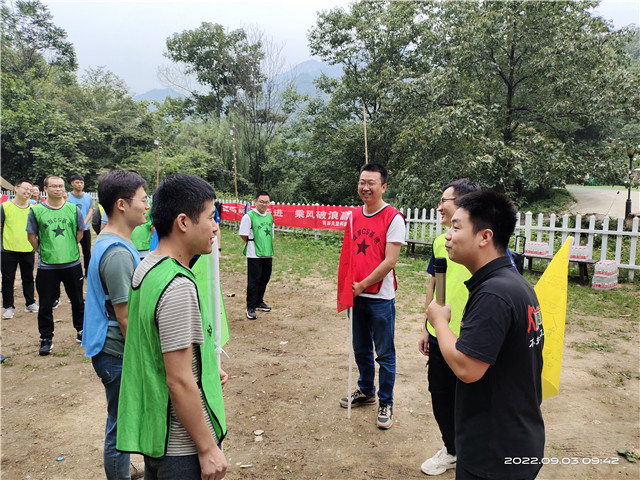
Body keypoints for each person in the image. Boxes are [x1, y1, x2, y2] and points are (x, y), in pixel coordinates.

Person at [426, 191, 545, 480]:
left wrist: (440, 323)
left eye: (456, 227)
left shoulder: (494, 294)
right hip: (516, 435)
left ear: (484, 236)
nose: (448, 236)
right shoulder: (514, 284)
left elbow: (467, 368)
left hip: (493, 453)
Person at [117, 174, 228, 480]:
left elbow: (157, 346)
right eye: (210, 217)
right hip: (183, 447)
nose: (216, 227)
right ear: (183, 222)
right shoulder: (177, 286)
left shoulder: (148, 266)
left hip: (157, 436)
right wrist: (207, 448)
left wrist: (204, 366)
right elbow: (178, 380)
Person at [82, 170, 149, 479]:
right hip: (116, 352)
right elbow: (124, 316)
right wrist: (142, 358)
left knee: (119, 421)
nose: (147, 205)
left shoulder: (111, 241)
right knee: (120, 427)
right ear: (122, 204)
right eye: (143, 199)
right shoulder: (118, 253)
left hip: (110, 348)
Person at [418, 178, 480, 476]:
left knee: (472, 400)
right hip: (440, 335)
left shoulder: (485, 247)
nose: (439, 205)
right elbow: (434, 283)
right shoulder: (439, 242)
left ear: (466, 204)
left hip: (472, 339)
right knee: (440, 395)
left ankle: (475, 454)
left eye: (446, 200)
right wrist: (426, 327)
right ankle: (452, 449)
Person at [339, 163, 405, 429]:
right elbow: (348, 256)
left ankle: (386, 401)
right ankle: (367, 391)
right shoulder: (354, 216)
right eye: (362, 182)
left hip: (380, 298)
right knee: (361, 348)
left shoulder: (393, 218)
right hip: (356, 296)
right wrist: (348, 288)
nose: (365, 187)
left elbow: (390, 261)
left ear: (383, 186)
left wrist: (363, 284)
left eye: (371, 183)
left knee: (385, 353)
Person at [27, 175, 85, 355]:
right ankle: (46, 338)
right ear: (45, 189)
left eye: (61, 186)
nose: (58, 189)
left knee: (77, 300)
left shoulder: (73, 210)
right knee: (45, 304)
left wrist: (68, 248)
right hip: (47, 267)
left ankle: (82, 331)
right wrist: (44, 251)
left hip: (72, 263)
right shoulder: (36, 211)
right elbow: (31, 236)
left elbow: (80, 232)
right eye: (54, 186)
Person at [1, 179, 39, 319]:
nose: (28, 192)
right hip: (7, 249)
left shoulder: (33, 208)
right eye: (25, 189)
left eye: (31, 190)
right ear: (16, 189)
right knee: (7, 279)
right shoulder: (4, 207)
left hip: (27, 248)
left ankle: (30, 303)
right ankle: (8, 307)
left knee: (28, 277)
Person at [239, 191, 274, 320]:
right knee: (254, 280)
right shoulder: (249, 216)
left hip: (267, 252)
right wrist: (253, 245)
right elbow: (243, 234)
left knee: (265, 278)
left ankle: (259, 301)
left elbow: (271, 234)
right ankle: (251, 307)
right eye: (262, 201)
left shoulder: (269, 216)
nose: (264, 204)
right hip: (254, 254)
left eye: (266, 202)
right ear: (255, 201)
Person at [67, 174, 94, 276]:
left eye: (81, 183)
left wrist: (83, 223)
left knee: (87, 251)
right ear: (72, 183)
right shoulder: (67, 197)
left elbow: (90, 211)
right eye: (77, 182)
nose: (79, 185)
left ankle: (88, 272)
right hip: (71, 229)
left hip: (85, 229)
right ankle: (73, 271)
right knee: (72, 250)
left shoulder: (88, 197)